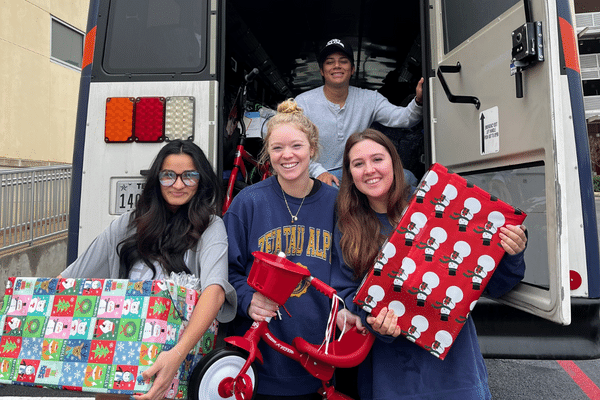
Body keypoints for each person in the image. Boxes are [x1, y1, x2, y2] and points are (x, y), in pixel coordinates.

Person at [335, 129, 528, 400]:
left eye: (377, 159)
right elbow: (344, 294)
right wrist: (372, 319)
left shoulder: (439, 205)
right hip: (390, 375)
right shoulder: (348, 227)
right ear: (350, 175)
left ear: (394, 162)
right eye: (358, 164)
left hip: (455, 371)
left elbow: (497, 286)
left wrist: (512, 252)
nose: (370, 170)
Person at [59, 140, 237, 400]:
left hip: (178, 362)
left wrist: (177, 354)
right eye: (169, 176)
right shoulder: (129, 223)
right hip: (120, 360)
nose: (178, 184)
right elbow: (71, 278)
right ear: (157, 179)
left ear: (201, 181)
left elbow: (215, 291)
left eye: (189, 175)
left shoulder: (211, 227)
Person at [224, 99, 353, 399]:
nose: (287, 155)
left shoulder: (336, 204)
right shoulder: (248, 203)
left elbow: (349, 271)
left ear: (312, 149)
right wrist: (246, 298)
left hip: (320, 358)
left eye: (296, 146)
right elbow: (225, 272)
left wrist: (348, 310)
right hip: (261, 363)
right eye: (277, 148)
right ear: (267, 152)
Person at [295, 38, 424, 187]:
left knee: (409, 179)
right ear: (322, 71)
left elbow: (404, 119)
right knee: (332, 193)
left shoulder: (370, 98)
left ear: (352, 69)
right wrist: (319, 172)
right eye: (330, 62)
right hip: (319, 173)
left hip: (358, 170)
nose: (337, 66)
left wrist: (418, 101)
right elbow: (294, 148)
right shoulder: (302, 103)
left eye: (343, 61)